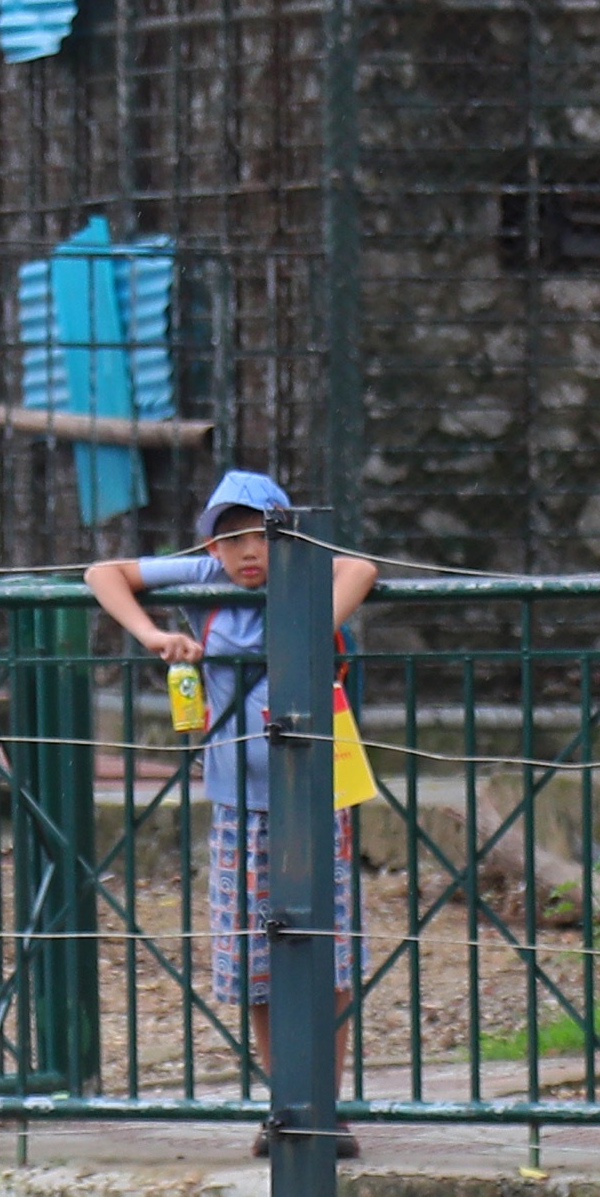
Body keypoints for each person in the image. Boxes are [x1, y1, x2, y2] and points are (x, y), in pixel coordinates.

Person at [85, 470, 380, 1159]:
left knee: (328, 959)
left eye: (262, 536)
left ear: (288, 536)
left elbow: (361, 568)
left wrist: (307, 626)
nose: (248, 552)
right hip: (239, 806)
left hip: (316, 800)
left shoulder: (307, 572)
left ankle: (325, 1109)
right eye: (233, 538)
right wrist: (155, 636)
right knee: (256, 963)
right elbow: (104, 572)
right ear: (212, 546)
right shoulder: (204, 577)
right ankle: (285, 1104)